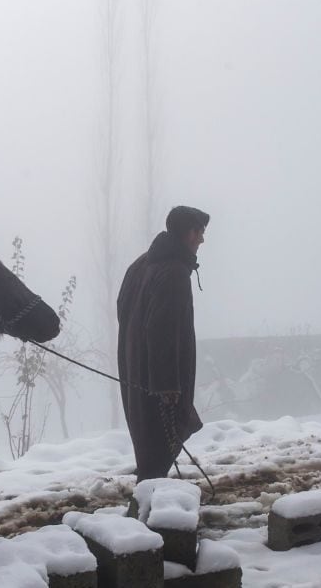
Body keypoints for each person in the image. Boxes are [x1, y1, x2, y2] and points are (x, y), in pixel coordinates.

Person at [117, 205, 209, 482]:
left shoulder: (142, 263)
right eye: (200, 233)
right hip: (159, 379)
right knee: (162, 434)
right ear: (188, 233)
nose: (202, 240)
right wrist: (168, 387)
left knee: (148, 435)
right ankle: (151, 507)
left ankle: (150, 490)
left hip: (135, 362)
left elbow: (122, 306)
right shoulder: (173, 273)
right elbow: (163, 331)